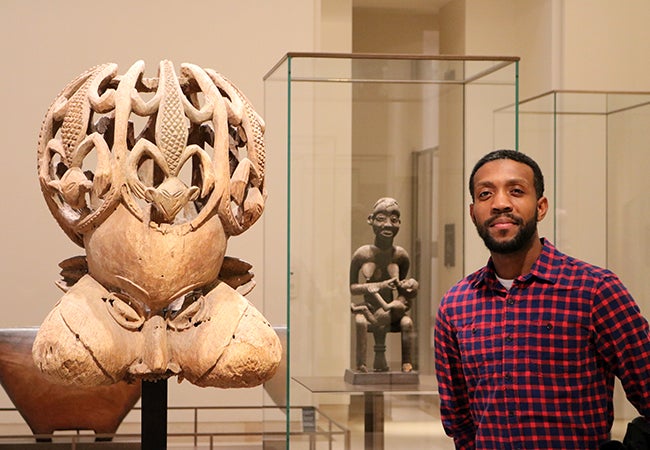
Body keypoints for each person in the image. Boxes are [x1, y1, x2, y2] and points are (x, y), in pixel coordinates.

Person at [434, 149, 650, 449]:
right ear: (473, 213)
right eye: (486, 194)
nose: (500, 204)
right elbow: (459, 422)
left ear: (540, 207)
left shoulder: (594, 290)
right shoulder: (456, 305)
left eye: (516, 191)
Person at [350, 197, 418, 373]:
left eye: (394, 220)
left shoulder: (401, 256)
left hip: (391, 313)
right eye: (381, 219)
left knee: (407, 323)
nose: (388, 224)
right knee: (359, 321)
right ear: (370, 220)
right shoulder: (362, 254)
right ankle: (361, 365)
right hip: (370, 309)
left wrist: (401, 304)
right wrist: (379, 286)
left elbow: (403, 289)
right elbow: (352, 287)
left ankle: (407, 363)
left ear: (399, 223)